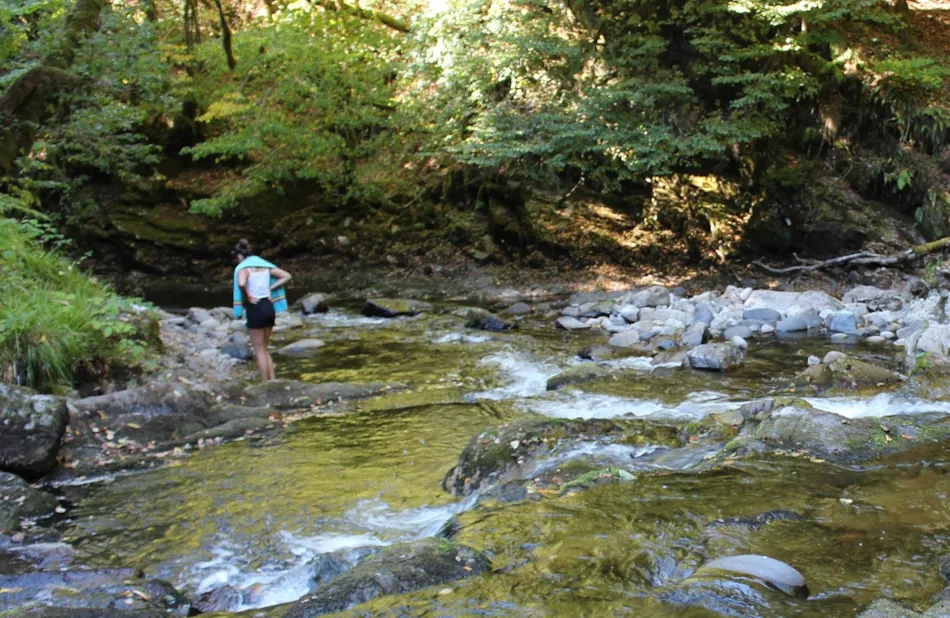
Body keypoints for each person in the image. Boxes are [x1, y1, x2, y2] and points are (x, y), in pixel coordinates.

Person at [231, 240, 292, 381]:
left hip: (256, 307)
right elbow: (286, 275)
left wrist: (248, 295)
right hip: (269, 307)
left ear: (240, 256)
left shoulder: (244, 269)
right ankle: (273, 380)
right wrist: (271, 288)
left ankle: (265, 383)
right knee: (265, 348)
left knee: (258, 350)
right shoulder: (265, 267)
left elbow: (241, 283)